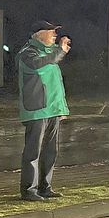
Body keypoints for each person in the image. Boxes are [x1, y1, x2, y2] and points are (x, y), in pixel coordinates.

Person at [17, 21, 70, 201]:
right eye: (51, 31)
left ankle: (45, 187)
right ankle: (28, 190)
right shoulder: (28, 53)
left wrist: (61, 109)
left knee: (50, 151)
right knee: (33, 152)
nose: (54, 35)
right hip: (37, 110)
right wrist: (59, 51)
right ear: (38, 34)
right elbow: (38, 64)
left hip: (52, 110)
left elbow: (55, 85)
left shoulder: (50, 53)